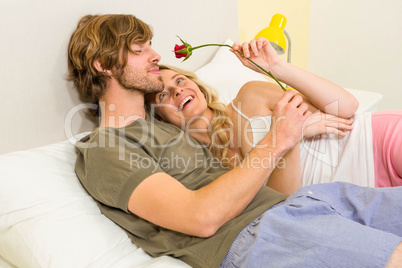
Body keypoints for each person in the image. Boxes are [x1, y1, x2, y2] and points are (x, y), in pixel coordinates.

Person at [68, 14, 402, 268]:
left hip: (305, 203)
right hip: (259, 234)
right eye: (139, 49)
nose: (155, 55)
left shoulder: (173, 130)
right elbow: (201, 217)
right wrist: (280, 138)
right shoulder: (105, 147)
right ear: (103, 65)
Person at [145, 41, 402, 194]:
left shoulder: (249, 97)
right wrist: (289, 135)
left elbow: (346, 107)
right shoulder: (206, 169)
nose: (177, 90)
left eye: (179, 80)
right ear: (160, 119)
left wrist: (276, 67)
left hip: (376, 142)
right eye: (163, 95)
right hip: (359, 194)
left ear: (196, 86)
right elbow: (286, 202)